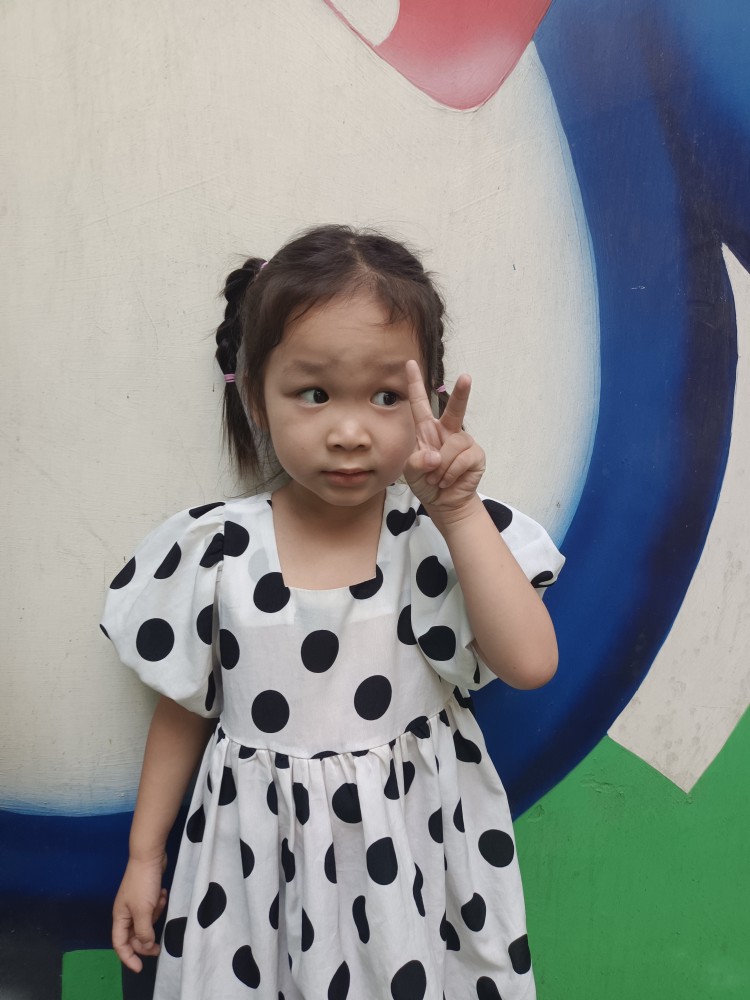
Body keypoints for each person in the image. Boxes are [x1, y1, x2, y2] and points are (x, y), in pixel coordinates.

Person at [103, 224, 564, 1000]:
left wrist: (457, 511)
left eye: (386, 397)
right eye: (314, 394)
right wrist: (145, 856)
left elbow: (531, 663)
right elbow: (185, 707)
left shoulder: (437, 539)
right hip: (255, 877)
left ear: (429, 401)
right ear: (256, 396)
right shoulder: (216, 551)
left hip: (410, 873)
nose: (350, 432)